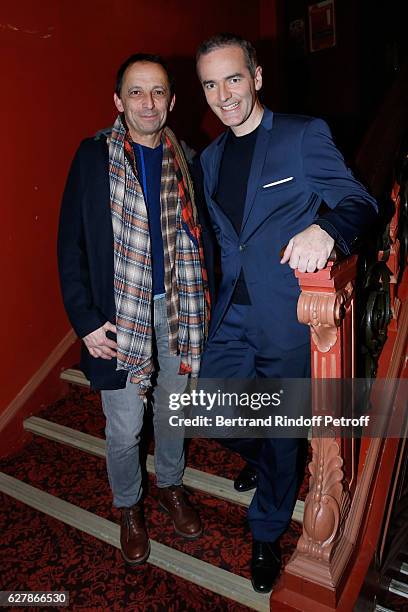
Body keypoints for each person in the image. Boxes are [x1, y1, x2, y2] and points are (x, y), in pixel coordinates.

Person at [196, 33, 378, 592]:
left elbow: (361, 202)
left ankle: (266, 532)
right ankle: (275, 458)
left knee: (277, 430)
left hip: (287, 316)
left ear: (256, 77)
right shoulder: (209, 158)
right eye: (210, 84)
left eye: (233, 78)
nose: (223, 94)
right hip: (231, 314)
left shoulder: (302, 135)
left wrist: (326, 229)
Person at [58, 53, 211, 566]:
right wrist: (84, 320)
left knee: (173, 407)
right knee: (125, 427)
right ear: (119, 101)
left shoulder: (187, 157)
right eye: (137, 92)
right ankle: (129, 506)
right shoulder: (91, 157)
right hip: (117, 314)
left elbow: (205, 235)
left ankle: (169, 485)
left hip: (178, 305)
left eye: (158, 92)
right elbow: (69, 245)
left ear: (171, 100)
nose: (148, 103)